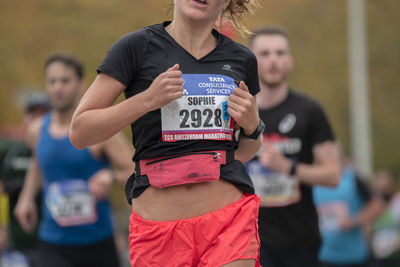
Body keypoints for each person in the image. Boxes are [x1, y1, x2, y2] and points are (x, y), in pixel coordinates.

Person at [69, 0, 263, 266]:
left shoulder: (242, 59)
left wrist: (253, 126)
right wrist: (147, 100)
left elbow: (248, 149)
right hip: (158, 232)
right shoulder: (135, 48)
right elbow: (80, 132)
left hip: (228, 221)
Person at [13, 53, 134, 267]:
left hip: (97, 244)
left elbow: (136, 170)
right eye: (52, 81)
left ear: (81, 84)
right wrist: (27, 197)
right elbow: (38, 164)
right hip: (53, 242)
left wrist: (110, 175)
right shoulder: (36, 130)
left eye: (65, 81)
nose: (58, 88)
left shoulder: (100, 131)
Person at [246, 25, 341, 267]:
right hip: (249, 241)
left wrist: (287, 167)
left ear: (290, 60)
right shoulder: (239, 112)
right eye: (264, 54)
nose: (273, 60)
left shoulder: (309, 111)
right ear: (250, 61)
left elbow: (332, 175)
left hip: (300, 241)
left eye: (280, 53)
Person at [0, 92, 51, 267]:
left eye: (42, 114)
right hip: (16, 243)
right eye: (32, 114)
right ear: (24, 118)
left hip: (56, 242)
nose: (37, 120)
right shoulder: (9, 151)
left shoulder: (61, 149)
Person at [314, 157, 386, 267]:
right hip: (323, 257)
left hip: (355, 257)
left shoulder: (352, 179)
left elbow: (377, 205)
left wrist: (354, 221)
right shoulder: (311, 183)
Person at [372, 169, 400, 267]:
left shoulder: (397, 202)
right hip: (378, 257)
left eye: (385, 180)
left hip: (395, 256)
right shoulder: (372, 206)